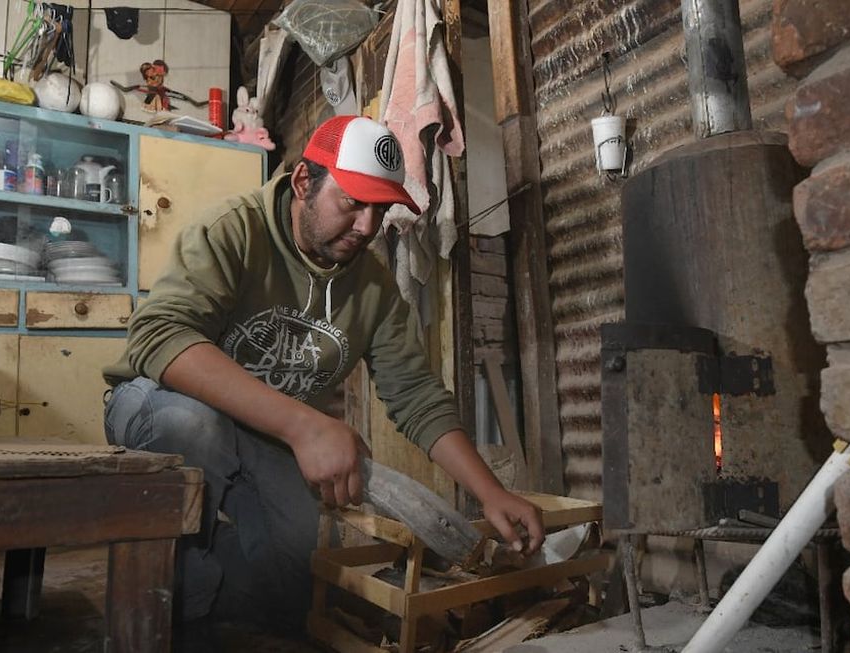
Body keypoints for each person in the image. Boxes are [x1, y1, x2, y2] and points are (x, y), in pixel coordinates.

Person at [102, 115, 545, 637]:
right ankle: (160, 607)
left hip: (263, 436)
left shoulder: (374, 288)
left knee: (293, 589)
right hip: (155, 406)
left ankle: (214, 583)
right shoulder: (232, 230)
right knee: (194, 428)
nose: (366, 226)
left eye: (379, 209)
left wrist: (491, 493)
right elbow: (158, 336)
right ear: (303, 184)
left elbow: (417, 396)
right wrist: (307, 427)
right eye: (352, 203)